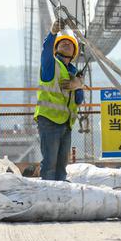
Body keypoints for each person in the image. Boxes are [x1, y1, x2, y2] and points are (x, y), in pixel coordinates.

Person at [34, 18, 85, 180]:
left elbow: (78, 100)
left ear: (73, 54)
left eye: (70, 44)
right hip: (49, 121)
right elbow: (46, 49)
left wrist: (78, 86)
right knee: (50, 164)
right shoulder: (51, 65)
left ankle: (60, 198)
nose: (66, 44)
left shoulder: (73, 72)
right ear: (55, 49)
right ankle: (47, 198)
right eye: (62, 43)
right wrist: (52, 33)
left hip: (65, 123)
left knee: (62, 165)